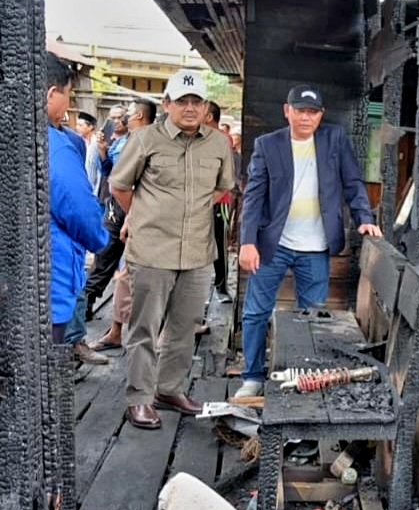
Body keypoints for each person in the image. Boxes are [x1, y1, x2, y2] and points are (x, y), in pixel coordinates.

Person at [233, 85, 381, 398]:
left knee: (311, 315)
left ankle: (303, 376)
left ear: (321, 115)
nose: (306, 117)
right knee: (256, 311)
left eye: (312, 112)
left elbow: (353, 182)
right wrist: (247, 241)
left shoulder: (334, 139)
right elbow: (254, 196)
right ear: (287, 111)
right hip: (273, 244)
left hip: (316, 247)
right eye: (300, 110)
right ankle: (253, 376)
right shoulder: (268, 145)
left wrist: (365, 218)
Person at [110, 69, 234, 430]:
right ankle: (139, 398)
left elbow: (221, 188)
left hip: (197, 253)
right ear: (167, 104)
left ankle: (169, 389)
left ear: (206, 107)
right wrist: (142, 216)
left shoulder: (218, 144)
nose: (190, 108)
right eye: (182, 101)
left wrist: (190, 212)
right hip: (152, 250)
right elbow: (120, 186)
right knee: (144, 328)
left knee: (184, 327)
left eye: (197, 101)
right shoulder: (145, 139)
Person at [45, 53, 110, 350]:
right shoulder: (53, 145)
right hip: (47, 280)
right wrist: (99, 239)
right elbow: (81, 212)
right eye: (68, 95)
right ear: (51, 94)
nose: (68, 104)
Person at [87, 100, 155, 351]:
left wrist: (133, 214)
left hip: (140, 212)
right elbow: (112, 174)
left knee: (136, 273)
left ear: (139, 115)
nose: (122, 119)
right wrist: (103, 151)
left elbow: (132, 183)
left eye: (126, 114)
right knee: (113, 263)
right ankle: (111, 325)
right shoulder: (124, 141)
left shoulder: (149, 142)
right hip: (121, 209)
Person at [205, 101, 234, 303]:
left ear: (209, 117)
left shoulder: (223, 139)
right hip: (198, 200)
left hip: (219, 200)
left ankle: (221, 286)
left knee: (220, 243)